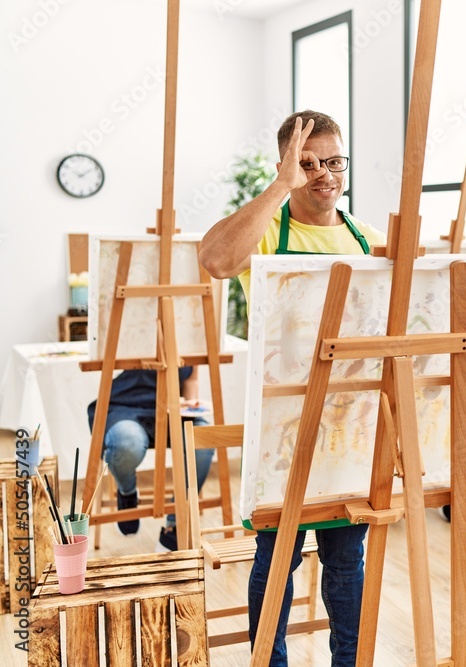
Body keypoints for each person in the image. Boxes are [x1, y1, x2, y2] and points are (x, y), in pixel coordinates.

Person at [199, 109, 386, 667]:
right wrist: (282, 185)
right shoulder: (267, 230)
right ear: (287, 164)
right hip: (283, 422)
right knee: (277, 552)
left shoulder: (367, 240)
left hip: (350, 420)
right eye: (308, 163)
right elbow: (214, 260)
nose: (323, 174)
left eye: (333, 161)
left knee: (346, 555)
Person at [87, 367, 215, 551]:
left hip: (171, 408)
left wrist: (189, 406)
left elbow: (191, 378)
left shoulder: (188, 338)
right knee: (127, 443)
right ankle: (127, 492)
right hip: (125, 406)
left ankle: (176, 522)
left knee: (203, 442)